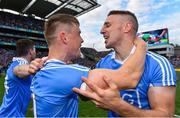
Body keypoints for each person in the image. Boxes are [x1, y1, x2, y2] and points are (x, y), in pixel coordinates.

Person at [29, 14, 147, 117]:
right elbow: (130, 78)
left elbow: (84, 95)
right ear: (64, 37)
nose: (82, 40)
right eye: (79, 34)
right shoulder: (64, 73)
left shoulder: (44, 68)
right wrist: (141, 46)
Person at [73, 10, 176, 117]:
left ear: (127, 27)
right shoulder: (103, 63)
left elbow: (165, 115)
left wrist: (119, 106)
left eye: (107, 25)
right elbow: (85, 95)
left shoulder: (158, 64)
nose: (101, 31)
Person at [0, 39, 36, 117]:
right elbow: (18, 70)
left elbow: (26, 91)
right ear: (30, 51)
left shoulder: (18, 63)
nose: (35, 52)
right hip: (11, 115)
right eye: (34, 49)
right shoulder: (20, 64)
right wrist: (36, 68)